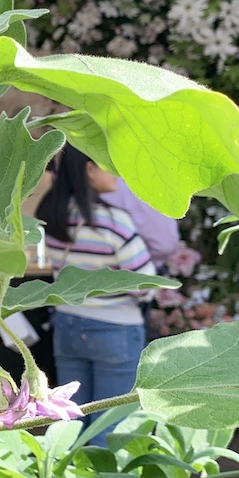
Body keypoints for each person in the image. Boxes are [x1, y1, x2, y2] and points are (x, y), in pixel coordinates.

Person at [36, 146, 155, 421]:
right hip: (116, 329)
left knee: (72, 419)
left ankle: (71, 464)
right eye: (109, 164)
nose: (118, 173)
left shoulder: (55, 216)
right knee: (109, 424)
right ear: (90, 169)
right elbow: (145, 284)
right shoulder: (115, 222)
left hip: (67, 323)